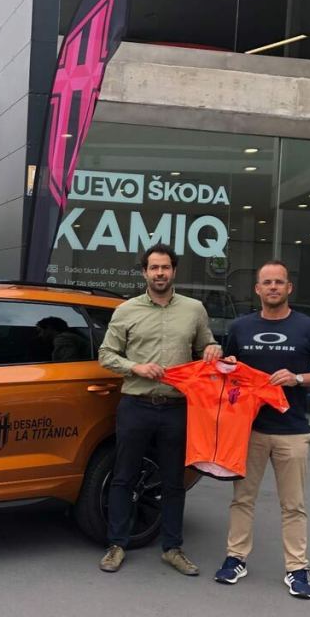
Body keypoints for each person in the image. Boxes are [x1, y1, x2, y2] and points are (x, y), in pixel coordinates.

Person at [213, 260, 310, 599]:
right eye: (266, 282)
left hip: (292, 430)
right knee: (242, 499)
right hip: (248, 429)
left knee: (293, 505)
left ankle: (297, 568)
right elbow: (228, 370)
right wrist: (221, 362)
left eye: (279, 282)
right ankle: (235, 558)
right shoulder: (241, 327)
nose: (273, 287)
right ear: (257, 289)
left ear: (288, 287)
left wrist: (298, 378)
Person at [97, 243, 222, 576]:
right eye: (154, 268)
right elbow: (106, 355)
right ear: (144, 273)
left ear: (174, 271)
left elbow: (206, 346)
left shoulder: (194, 310)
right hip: (135, 405)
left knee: (173, 481)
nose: (160, 273)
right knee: (123, 476)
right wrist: (135, 367)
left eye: (165, 267)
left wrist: (213, 348)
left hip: (176, 407)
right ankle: (117, 544)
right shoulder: (126, 311)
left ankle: (172, 548)